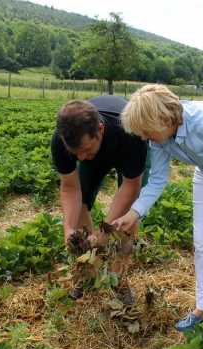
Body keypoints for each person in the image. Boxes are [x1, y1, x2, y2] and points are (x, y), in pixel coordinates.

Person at [112, 84, 203, 331]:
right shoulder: (159, 137)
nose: (142, 137)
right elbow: (158, 180)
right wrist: (133, 213)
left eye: (145, 130)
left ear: (163, 119)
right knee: (200, 243)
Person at [51, 95, 150, 306]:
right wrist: (68, 229)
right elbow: (70, 187)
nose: (81, 158)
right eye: (75, 152)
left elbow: (131, 187)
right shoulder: (64, 140)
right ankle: (88, 271)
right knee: (81, 204)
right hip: (99, 146)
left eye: (85, 150)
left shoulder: (131, 133)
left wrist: (107, 230)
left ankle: (118, 280)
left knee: (128, 216)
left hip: (124, 147)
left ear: (100, 130)